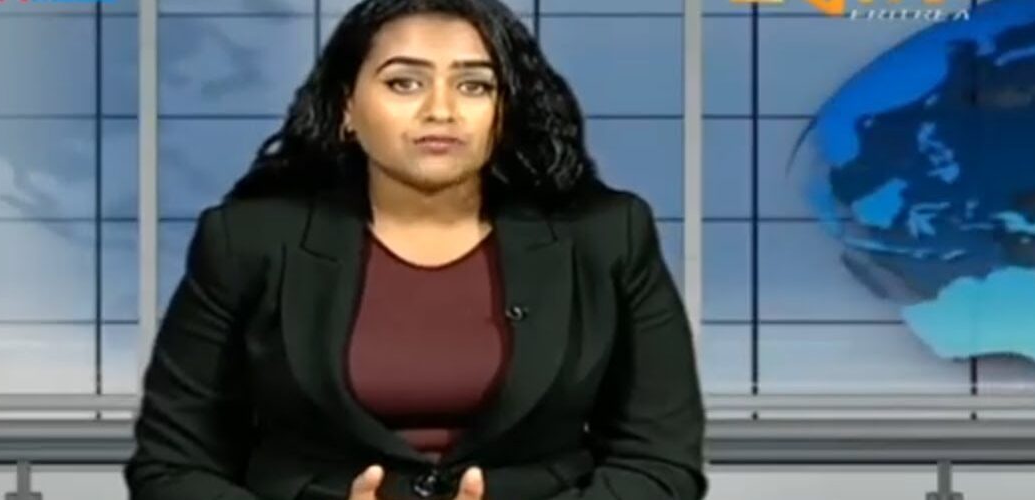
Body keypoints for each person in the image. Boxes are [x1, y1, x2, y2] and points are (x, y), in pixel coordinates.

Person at [124, 0, 707, 498]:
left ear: (505, 111)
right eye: (405, 82)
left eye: (474, 85)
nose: (441, 111)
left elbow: (659, 464)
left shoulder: (606, 234)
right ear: (347, 108)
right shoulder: (248, 240)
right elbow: (173, 466)